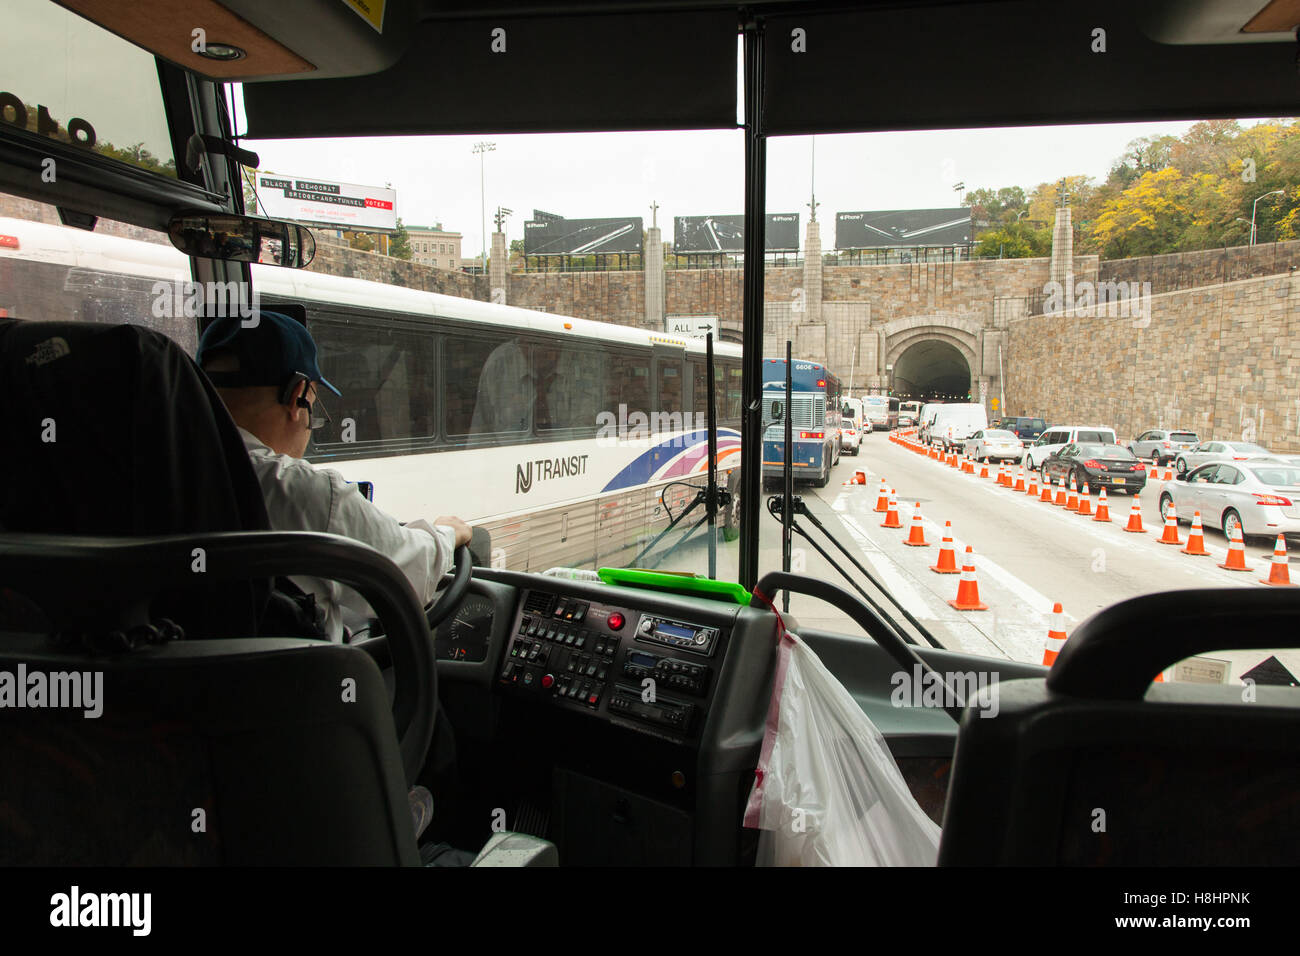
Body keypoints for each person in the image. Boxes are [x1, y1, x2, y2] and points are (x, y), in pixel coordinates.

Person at [196, 309, 471, 641]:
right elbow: (410, 574)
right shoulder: (301, 491)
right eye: (314, 405)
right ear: (297, 396)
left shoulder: (155, 471)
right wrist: (447, 533)